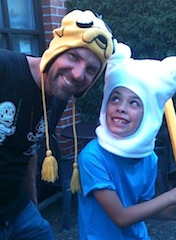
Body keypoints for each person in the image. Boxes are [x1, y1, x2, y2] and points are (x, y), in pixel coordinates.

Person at [0, 9, 114, 240]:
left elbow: (30, 151)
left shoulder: (59, 97)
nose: (78, 74)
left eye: (91, 69)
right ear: (56, 49)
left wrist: (32, 205)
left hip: (16, 208)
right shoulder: (5, 68)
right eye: (73, 56)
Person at [77, 42, 176, 240]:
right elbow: (121, 216)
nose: (121, 107)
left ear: (149, 113)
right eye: (115, 98)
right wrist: (175, 194)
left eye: (134, 102)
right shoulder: (92, 157)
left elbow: (142, 207)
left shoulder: (148, 158)